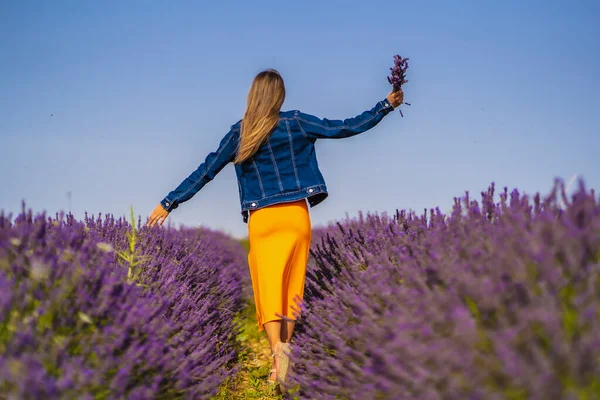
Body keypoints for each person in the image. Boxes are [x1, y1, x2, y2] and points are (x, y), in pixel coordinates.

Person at [147, 69, 404, 389]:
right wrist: (385, 105)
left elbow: (206, 170)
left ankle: (276, 354)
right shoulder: (296, 121)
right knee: (291, 285)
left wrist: (169, 203)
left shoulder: (240, 133)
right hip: (296, 216)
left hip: (263, 220)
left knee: (268, 288)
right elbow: (345, 127)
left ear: (252, 96)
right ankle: (285, 355)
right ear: (279, 96)